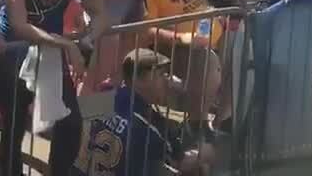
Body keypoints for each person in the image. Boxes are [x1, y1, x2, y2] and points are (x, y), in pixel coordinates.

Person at [0, 0, 106, 176]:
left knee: (70, 123)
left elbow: (100, 12)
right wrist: (67, 46)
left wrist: (87, 39)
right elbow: (19, 24)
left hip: (51, 52)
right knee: (14, 126)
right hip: (15, 52)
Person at [142, 0, 226, 139]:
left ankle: (225, 118)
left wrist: (212, 21)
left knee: (243, 45)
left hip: (211, 35)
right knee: (208, 61)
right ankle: (197, 123)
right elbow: (147, 30)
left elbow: (201, 3)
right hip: (178, 49)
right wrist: (183, 38)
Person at [82, 49, 215, 176]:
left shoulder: (104, 99)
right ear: (141, 80)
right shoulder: (150, 126)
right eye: (161, 74)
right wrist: (206, 152)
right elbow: (182, 162)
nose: (168, 81)